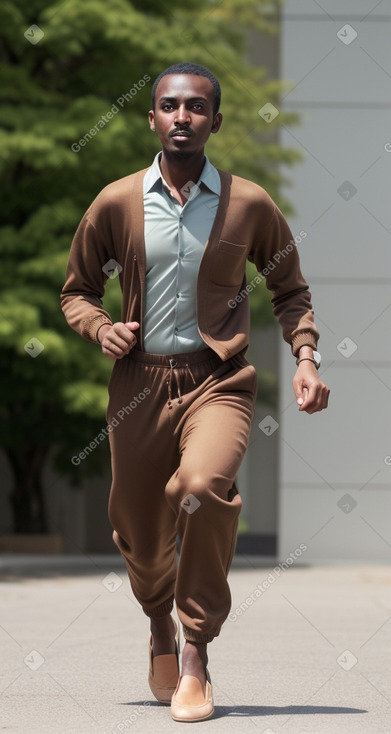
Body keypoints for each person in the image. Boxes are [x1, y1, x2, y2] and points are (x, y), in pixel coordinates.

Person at [61, 62, 329, 723]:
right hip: (138, 386)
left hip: (218, 381)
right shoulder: (118, 200)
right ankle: (159, 622)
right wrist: (101, 329)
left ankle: (196, 655)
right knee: (137, 532)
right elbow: (76, 290)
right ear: (151, 117)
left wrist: (305, 357)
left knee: (202, 488)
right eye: (169, 105)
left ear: (215, 120)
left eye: (196, 106)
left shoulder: (248, 203)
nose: (182, 115)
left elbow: (289, 290)